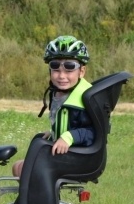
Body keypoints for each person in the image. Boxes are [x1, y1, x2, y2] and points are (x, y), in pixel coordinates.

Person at [12, 35, 94, 178]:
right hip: (64, 154)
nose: (61, 76)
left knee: (23, 168)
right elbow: (69, 123)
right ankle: (37, 193)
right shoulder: (58, 93)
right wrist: (55, 133)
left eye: (69, 68)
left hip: (78, 157)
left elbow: (93, 132)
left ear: (81, 71)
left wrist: (68, 137)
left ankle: (39, 193)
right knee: (18, 167)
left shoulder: (86, 98)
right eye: (55, 68)